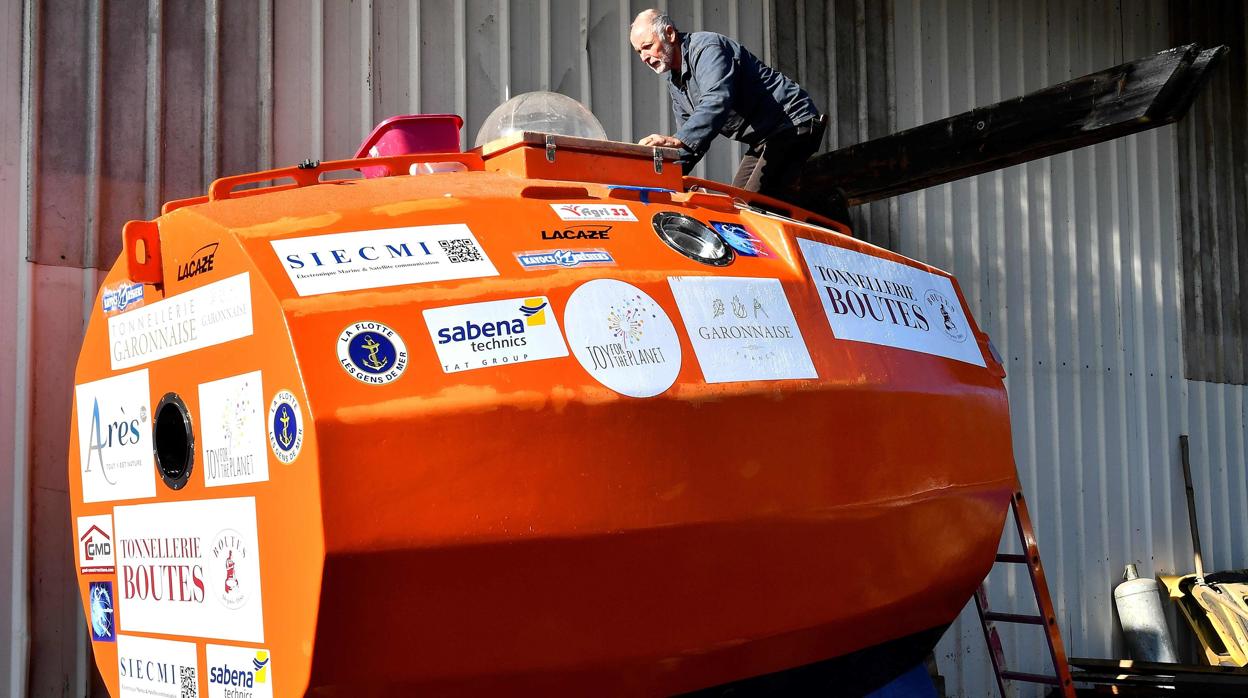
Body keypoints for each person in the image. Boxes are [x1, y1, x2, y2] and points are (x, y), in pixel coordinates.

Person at [629, 9, 826, 198]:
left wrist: (678, 139)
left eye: (647, 46)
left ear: (669, 34)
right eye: (638, 52)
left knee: (750, 207)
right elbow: (692, 141)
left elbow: (717, 99)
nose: (644, 57)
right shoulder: (675, 82)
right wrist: (656, 179)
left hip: (792, 123)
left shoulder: (706, 48)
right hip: (764, 139)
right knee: (735, 201)